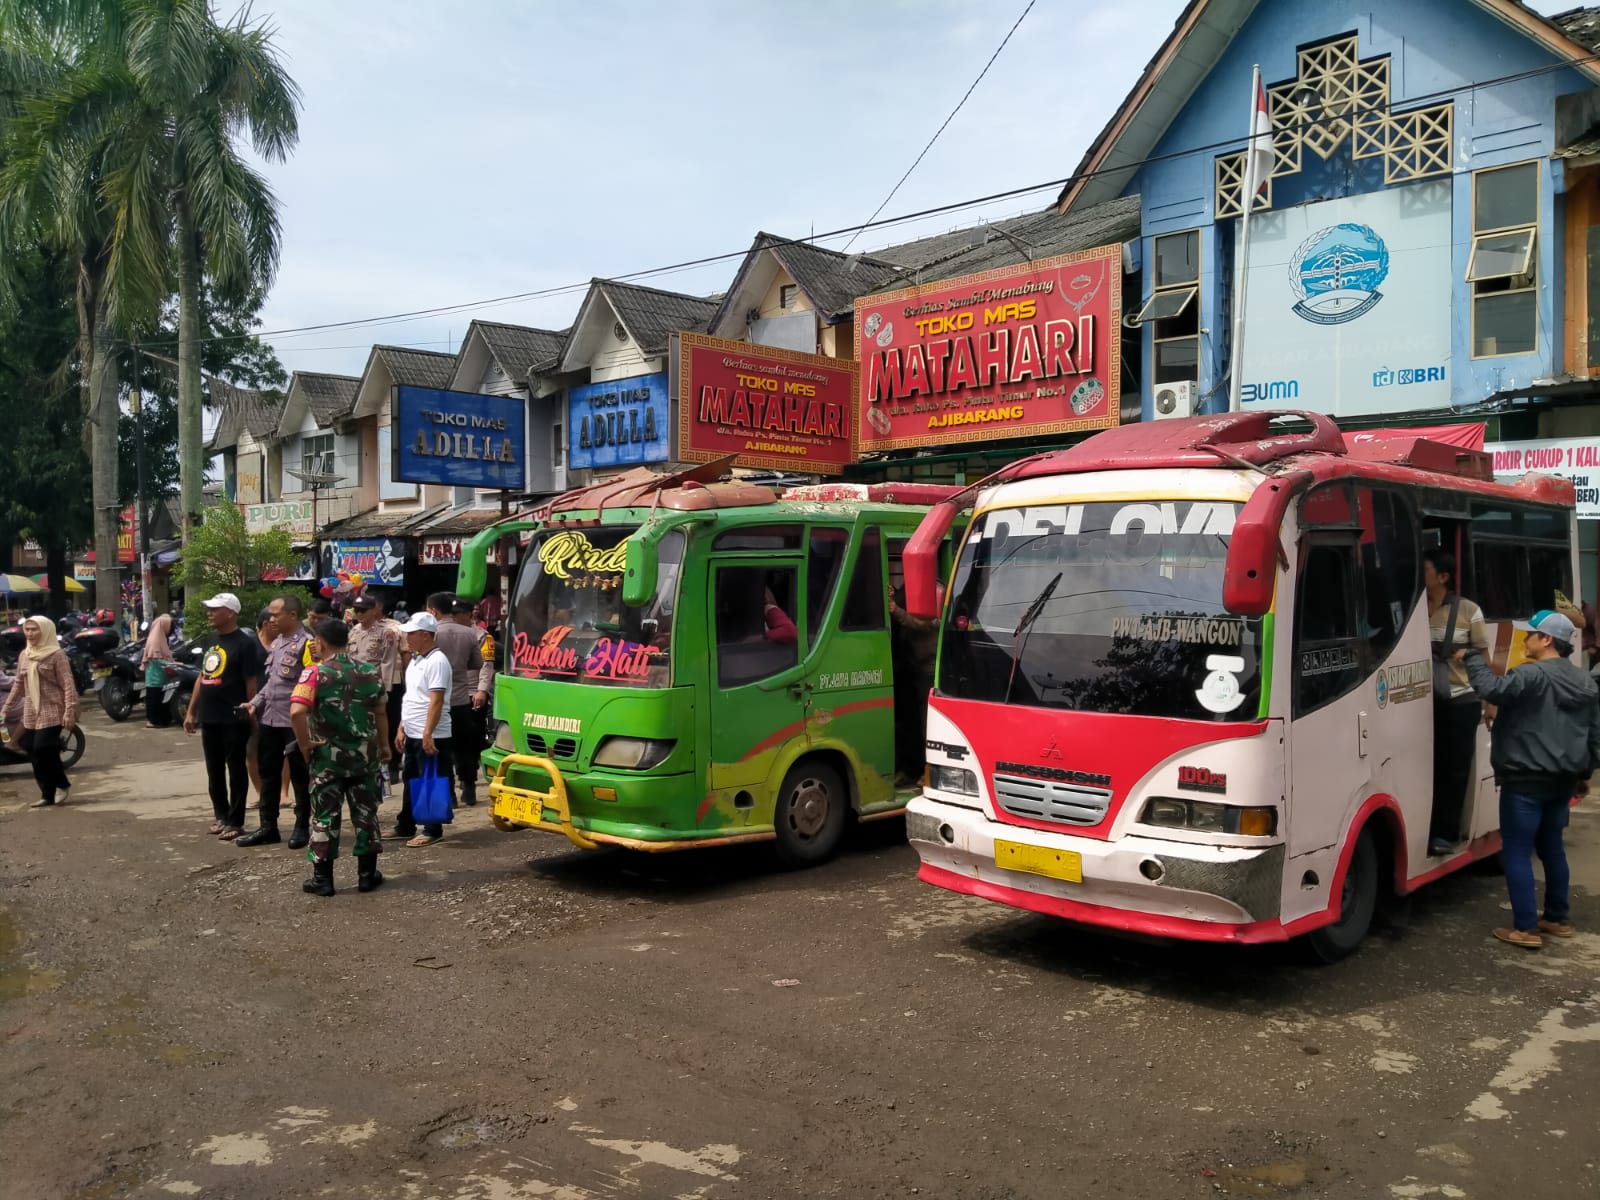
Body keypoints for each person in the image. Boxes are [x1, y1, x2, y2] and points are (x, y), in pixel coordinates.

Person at [1458, 609, 1599, 949]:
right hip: (1562, 779)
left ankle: (1525, 928)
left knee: (1518, 851)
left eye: (1531, 634)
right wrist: (1584, 774)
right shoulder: (1584, 681)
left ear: (1547, 639)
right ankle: (1556, 918)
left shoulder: (1531, 675)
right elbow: (1594, 735)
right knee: (1552, 849)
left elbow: (1492, 688)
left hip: (1524, 779)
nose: (1527, 640)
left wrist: (1472, 658)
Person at [291, 619, 390, 897]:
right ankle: (367, 875)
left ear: (321, 643)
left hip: (327, 759)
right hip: (365, 757)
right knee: (366, 814)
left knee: (324, 815)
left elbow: (297, 712)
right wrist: (384, 746)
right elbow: (381, 712)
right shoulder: (370, 672)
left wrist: (304, 744)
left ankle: (323, 880)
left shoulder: (314, 673)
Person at [237, 595, 316, 848]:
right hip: (270, 718)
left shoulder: (308, 645)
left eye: (275, 614)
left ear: (292, 616)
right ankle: (268, 826)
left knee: (300, 777)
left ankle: (302, 826)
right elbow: (272, 683)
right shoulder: (278, 643)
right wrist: (254, 704)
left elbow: (312, 683)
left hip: (294, 720)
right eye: (269, 614)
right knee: (268, 773)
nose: (270, 619)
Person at [1425, 550, 1489, 857]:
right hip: (1423, 703)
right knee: (1428, 767)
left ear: (1443, 577)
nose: (1419, 575)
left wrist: (1490, 701)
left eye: (1425, 569)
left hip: (1461, 701)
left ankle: (1444, 834)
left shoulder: (1468, 611)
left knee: (1455, 769)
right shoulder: (1412, 610)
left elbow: (1483, 658)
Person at [184, 593, 262, 839]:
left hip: (233, 716)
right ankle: (221, 815)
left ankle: (236, 821)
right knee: (213, 769)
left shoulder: (245, 643)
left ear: (230, 612)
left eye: (215, 609)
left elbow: (251, 681)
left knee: (236, 768)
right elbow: (202, 676)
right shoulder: (210, 640)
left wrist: (250, 711)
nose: (210, 613)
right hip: (210, 715)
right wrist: (191, 711)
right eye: (209, 609)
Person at [2, 616, 78, 807]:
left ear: (45, 631)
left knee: (43, 747)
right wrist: (5, 709)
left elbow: (67, 684)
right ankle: (47, 794)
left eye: (34, 630)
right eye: (27, 630)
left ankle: (61, 784)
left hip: (53, 708)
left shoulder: (57, 655)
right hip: (31, 709)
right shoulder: (24, 655)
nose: (30, 633)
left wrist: (69, 711)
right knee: (32, 750)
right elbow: (19, 684)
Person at [428, 593, 493, 807]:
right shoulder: (469, 635)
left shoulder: (432, 634)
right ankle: (467, 785)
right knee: (465, 746)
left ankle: (455, 791)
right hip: (461, 697)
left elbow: (486, 665)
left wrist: (482, 689)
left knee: (448, 746)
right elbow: (477, 663)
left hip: (444, 698)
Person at [394, 612, 453, 847]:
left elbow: (436, 700)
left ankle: (432, 828)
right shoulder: (417, 660)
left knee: (431, 779)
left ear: (425, 635)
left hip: (432, 732)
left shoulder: (438, 661)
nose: (407, 636)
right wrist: (402, 726)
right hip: (413, 729)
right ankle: (405, 823)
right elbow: (411, 697)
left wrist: (428, 732)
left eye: (412, 633)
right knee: (411, 778)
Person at [246, 606, 274, 806]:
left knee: (280, 750)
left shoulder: (283, 643)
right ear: (266, 623)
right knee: (251, 750)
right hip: (254, 703)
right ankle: (260, 792)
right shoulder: (250, 644)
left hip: (278, 703)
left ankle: (281, 792)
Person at [141, 608, 176, 728]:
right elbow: (155, 658)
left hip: (159, 676)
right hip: (155, 677)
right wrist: (169, 664)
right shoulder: (156, 638)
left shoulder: (160, 636)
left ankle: (160, 720)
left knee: (157, 698)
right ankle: (155, 721)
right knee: (155, 699)